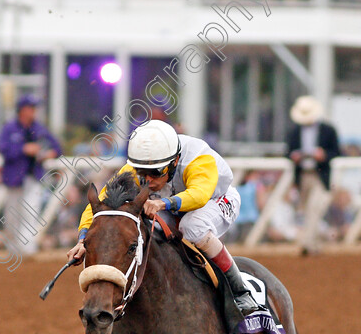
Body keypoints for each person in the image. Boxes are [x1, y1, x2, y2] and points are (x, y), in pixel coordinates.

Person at [67, 119, 259, 316]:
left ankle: (239, 289)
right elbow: (100, 206)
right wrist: (83, 239)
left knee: (193, 226)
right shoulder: (134, 168)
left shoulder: (198, 158)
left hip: (215, 199)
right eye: (143, 173)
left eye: (156, 172)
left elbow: (199, 195)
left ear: (175, 161)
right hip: (172, 203)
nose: (148, 180)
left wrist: (163, 204)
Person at [0, 94, 61, 255]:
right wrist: (23, 149)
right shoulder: (9, 128)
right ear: (22, 110)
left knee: (31, 212)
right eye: (31, 108)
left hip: (33, 177)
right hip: (13, 180)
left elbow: (57, 148)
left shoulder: (39, 128)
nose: (34, 111)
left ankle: (28, 250)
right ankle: (13, 251)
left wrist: (47, 153)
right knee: (11, 216)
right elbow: (2, 149)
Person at [285, 96, 340, 255]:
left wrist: (324, 155)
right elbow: (287, 152)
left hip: (320, 175)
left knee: (314, 208)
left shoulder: (328, 131)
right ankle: (313, 244)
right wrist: (294, 156)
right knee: (305, 210)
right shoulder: (294, 132)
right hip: (302, 175)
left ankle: (307, 244)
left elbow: (336, 152)